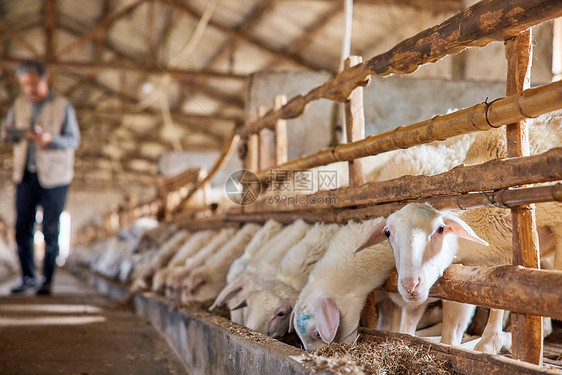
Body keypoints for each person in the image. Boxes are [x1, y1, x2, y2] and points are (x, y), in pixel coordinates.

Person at [1, 60, 80, 295]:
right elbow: (7, 132)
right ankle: (26, 278)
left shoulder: (62, 105)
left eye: (33, 83)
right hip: (25, 174)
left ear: (45, 80)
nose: (29, 89)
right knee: (22, 227)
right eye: (24, 85)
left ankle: (47, 280)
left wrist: (50, 139)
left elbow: (73, 140)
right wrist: (9, 134)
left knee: (51, 228)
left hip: (55, 176)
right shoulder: (19, 103)